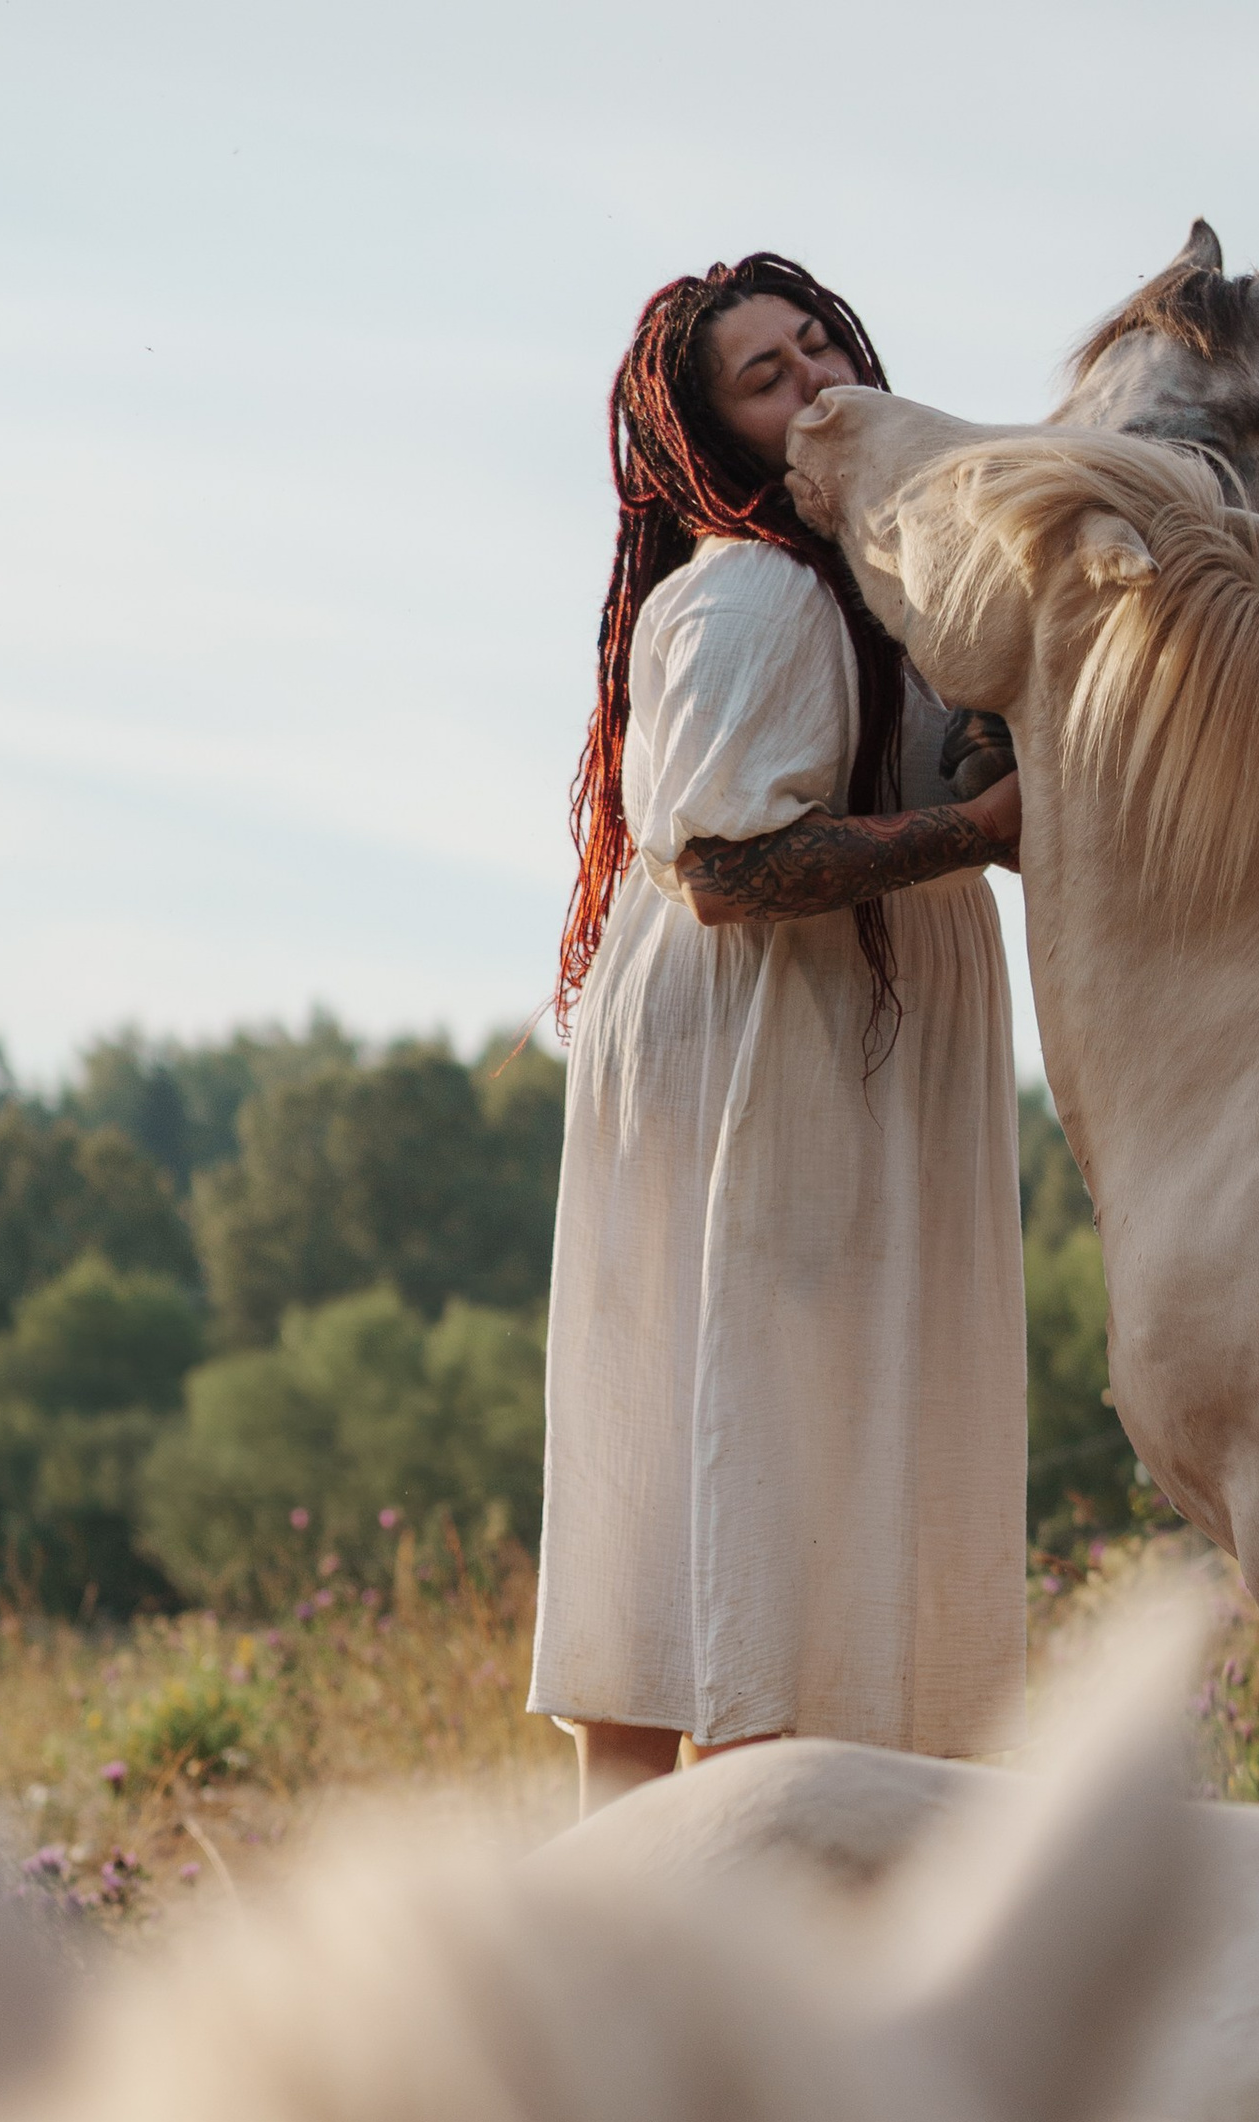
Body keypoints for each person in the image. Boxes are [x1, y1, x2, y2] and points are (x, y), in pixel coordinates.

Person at [531, 255, 1028, 1817]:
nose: (815, 380)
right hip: (760, 1063)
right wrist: (976, 833)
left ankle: (715, 1922)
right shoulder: (754, 595)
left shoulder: (881, 589)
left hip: (820, 1047)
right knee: (752, 1462)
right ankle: (702, 1911)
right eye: (767, 376)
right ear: (713, 441)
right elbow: (733, 868)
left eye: (822, 344)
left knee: (741, 1459)